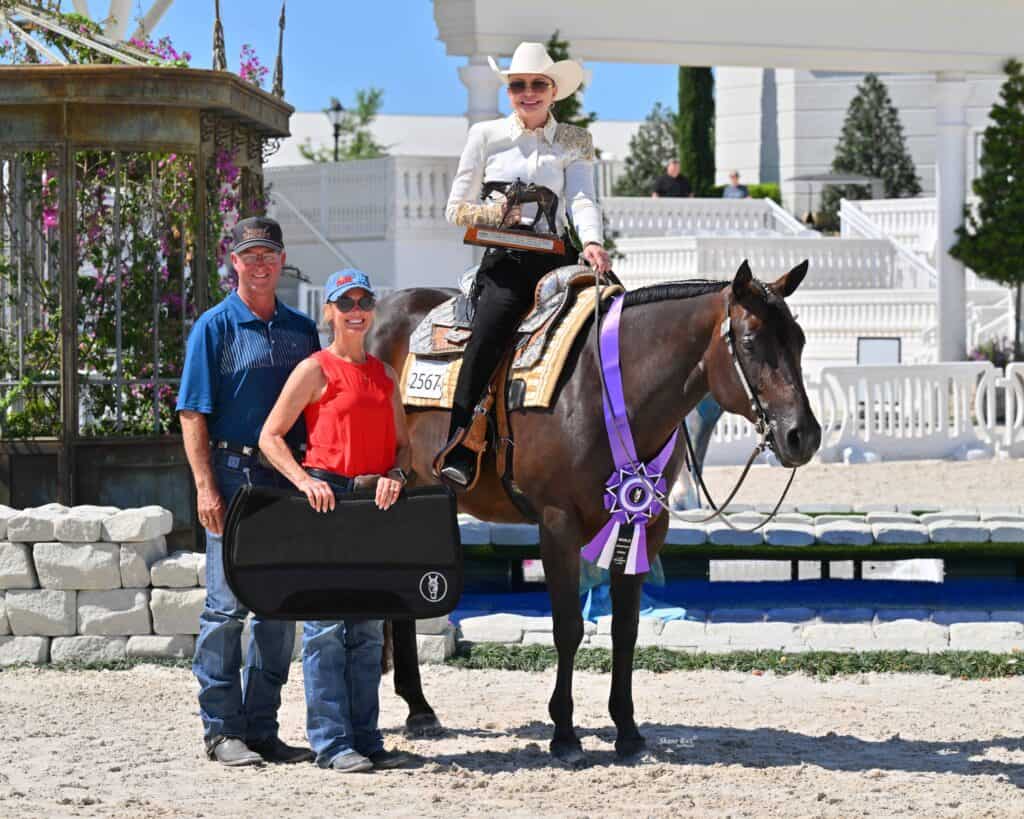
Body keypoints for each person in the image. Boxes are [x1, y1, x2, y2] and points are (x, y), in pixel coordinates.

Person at [177, 216, 319, 767]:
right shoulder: (214, 327)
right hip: (232, 479)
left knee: (277, 609)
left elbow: (312, 414)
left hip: (284, 480)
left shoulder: (303, 331)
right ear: (233, 262)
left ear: (282, 261)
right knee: (225, 608)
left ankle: (262, 728)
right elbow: (193, 413)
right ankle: (220, 731)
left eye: (269, 255)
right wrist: (206, 488)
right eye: (249, 255)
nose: (259, 264)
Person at [259, 268, 413, 773]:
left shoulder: (385, 375)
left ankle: (367, 740)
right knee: (326, 627)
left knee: (368, 628)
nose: (355, 309)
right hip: (326, 500)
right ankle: (330, 743)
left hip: (374, 502)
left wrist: (396, 474)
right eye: (344, 302)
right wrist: (304, 481)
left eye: (363, 301)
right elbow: (271, 437)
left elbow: (404, 448)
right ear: (328, 312)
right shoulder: (314, 369)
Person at [438, 41, 612, 488]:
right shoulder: (485, 136)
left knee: (615, 321)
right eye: (519, 85)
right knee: (487, 337)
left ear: (554, 91)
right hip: (508, 262)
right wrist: (495, 214)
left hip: (560, 260)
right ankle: (462, 443)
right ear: (509, 90)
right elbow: (455, 208)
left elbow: (580, 197)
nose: (528, 92)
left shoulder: (575, 140)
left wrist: (592, 241)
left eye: (538, 84)